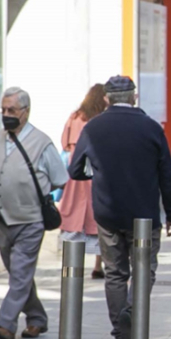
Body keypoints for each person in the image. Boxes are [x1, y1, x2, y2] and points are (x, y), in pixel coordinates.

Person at [69, 76, 171, 339]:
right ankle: (131, 311)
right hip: (144, 215)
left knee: (115, 273)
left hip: (107, 213)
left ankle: (122, 335)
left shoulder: (93, 127)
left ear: (106, 99)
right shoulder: (151, 128)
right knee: (145, 270)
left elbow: (75, 170)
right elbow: (168, 173)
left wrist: (97, 172)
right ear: (134, 97)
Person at [0, 87, 69, 339]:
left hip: (30, 220)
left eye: (12, 110)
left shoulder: (42, 143)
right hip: (0, 219)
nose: (7, 115)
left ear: (26, 111)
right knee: (19, 275)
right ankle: (37, 319)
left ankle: (5, 325)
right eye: (3, 110)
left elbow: (60, 178)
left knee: (20, 274)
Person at [60, 84, 108, 279]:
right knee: (96, 217)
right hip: (94, 170)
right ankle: (98, 265)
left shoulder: (75, 117)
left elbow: (64, 142)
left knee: (74, 217)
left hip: (75, 172)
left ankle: (73, 264)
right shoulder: (100, 120)